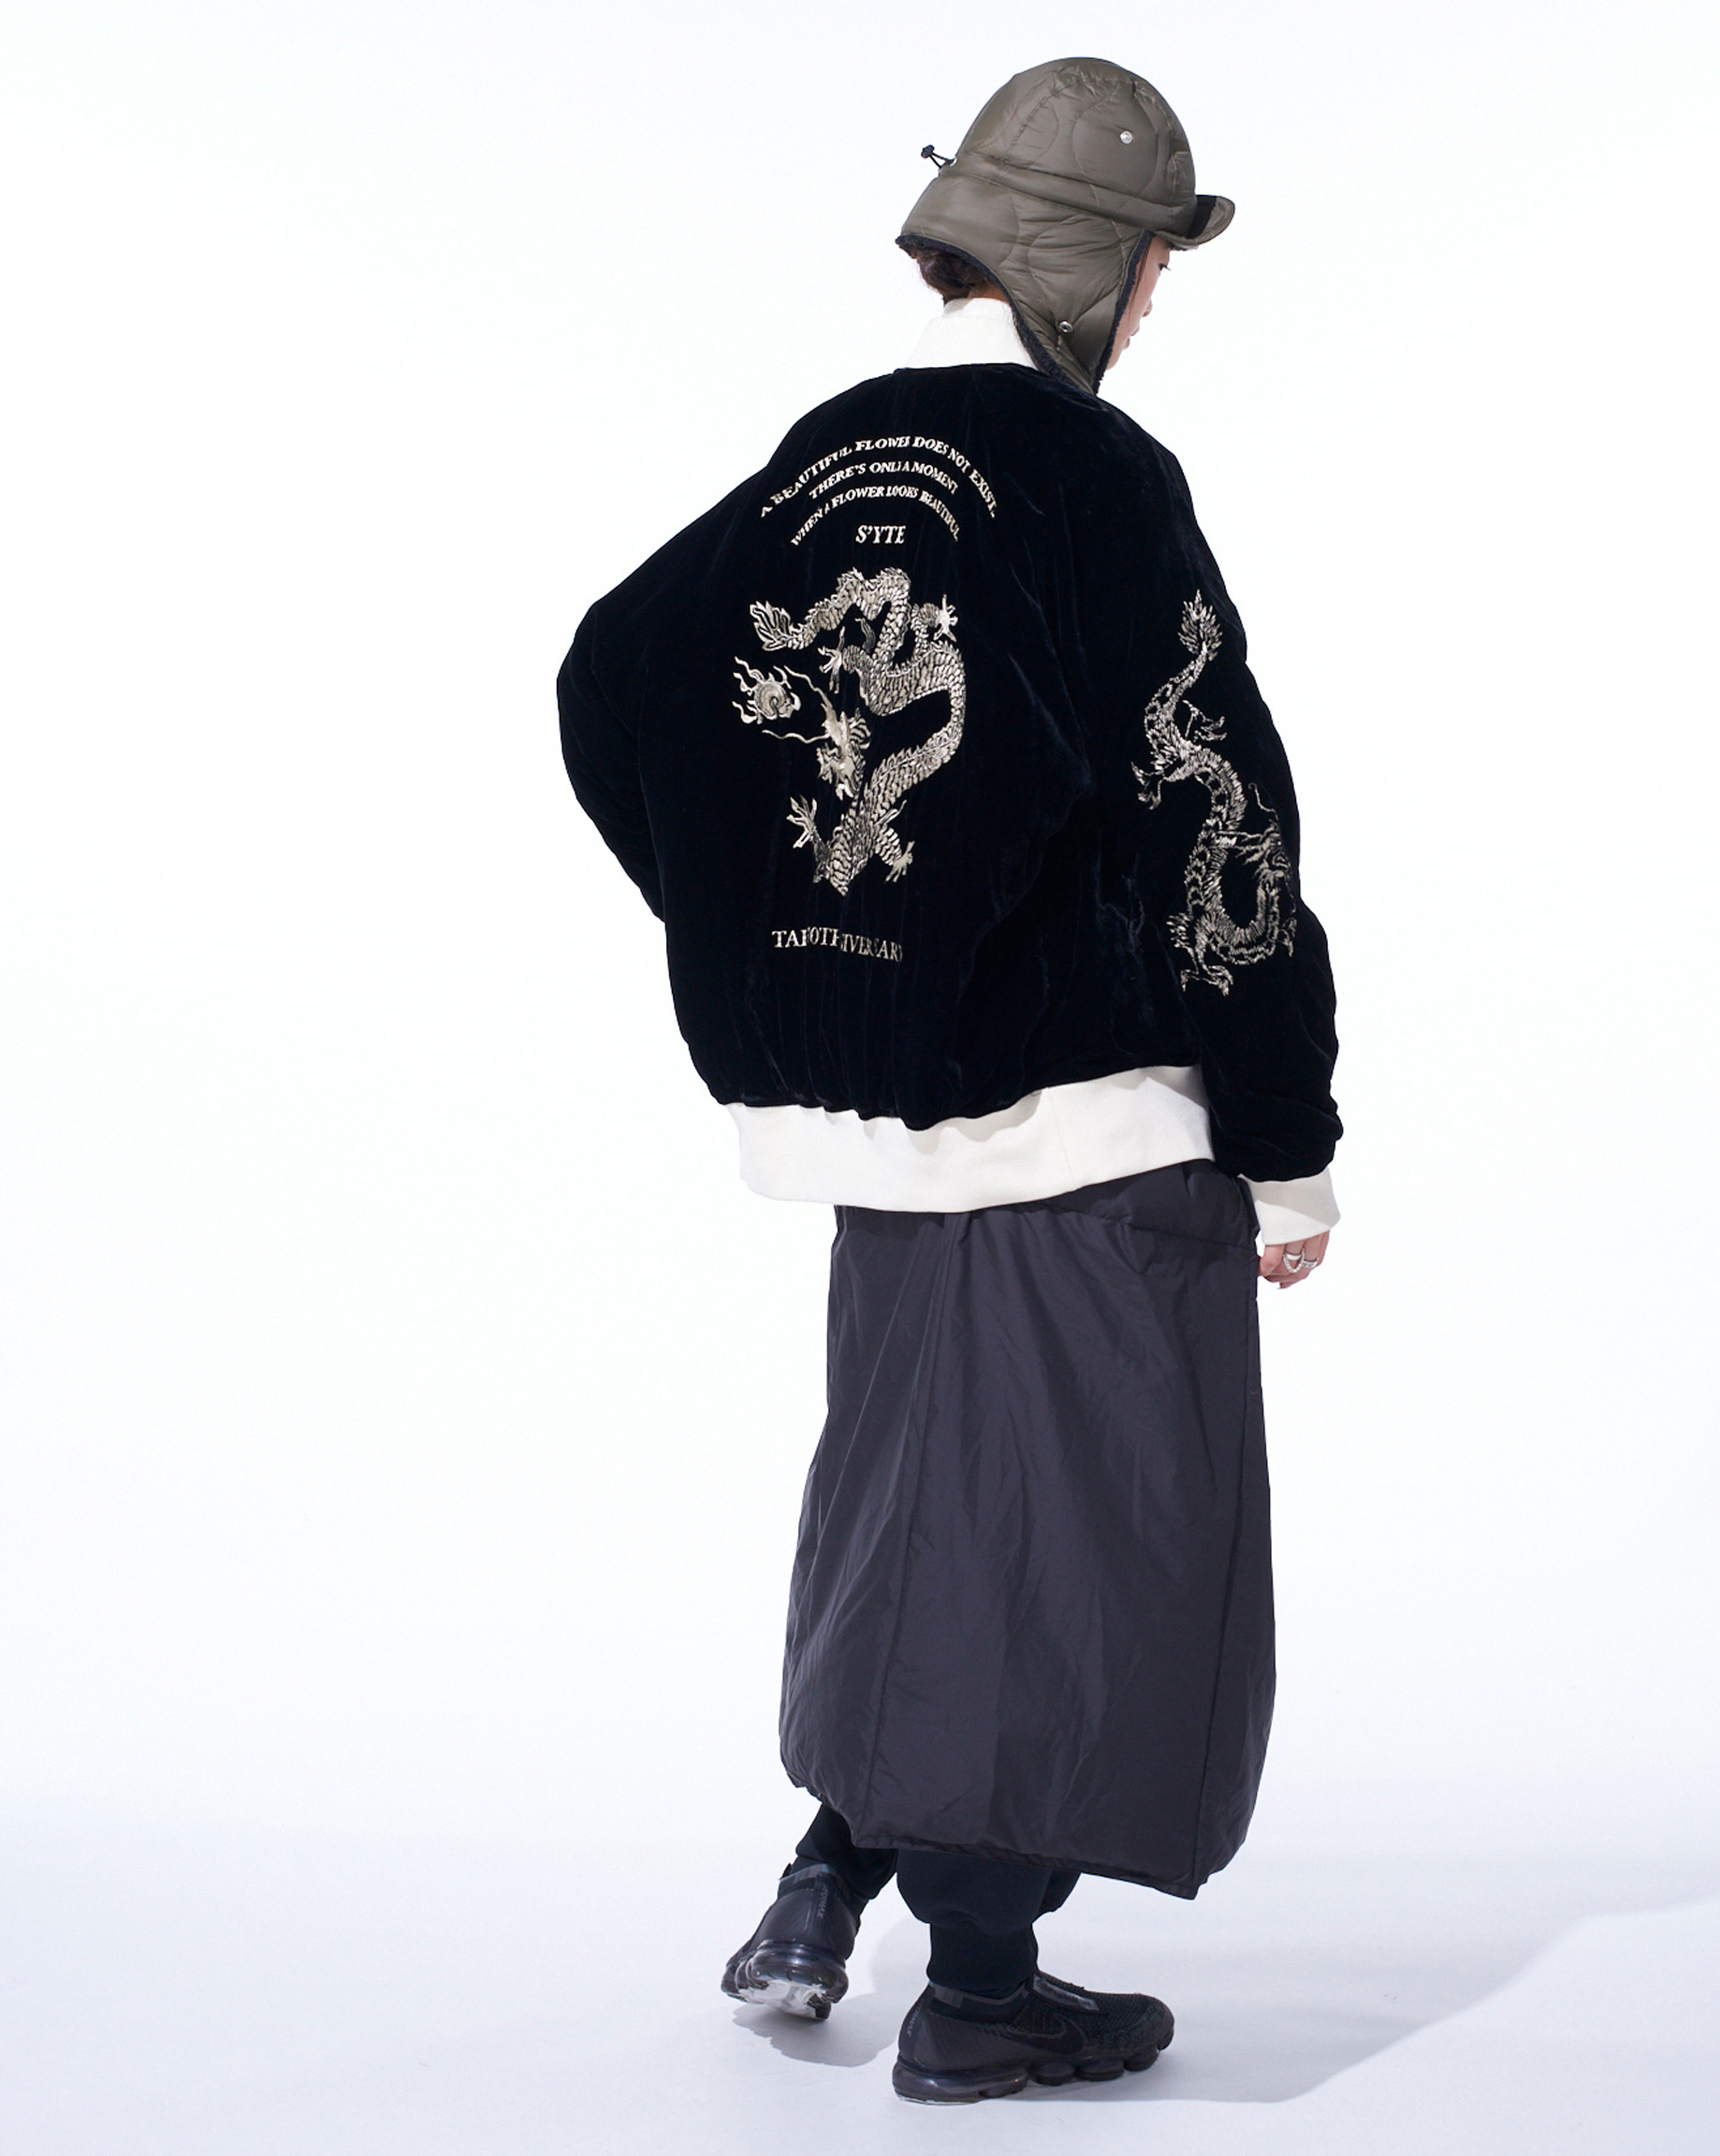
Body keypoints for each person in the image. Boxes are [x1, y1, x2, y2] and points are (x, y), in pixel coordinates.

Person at [558, 56, 1340, 2106]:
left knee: (917, 1516)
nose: (1155, 307)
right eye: (1155, 267)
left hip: (888, 1137)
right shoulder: (1098, 481)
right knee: (1084, 1558)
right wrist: (1287, 1148)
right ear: (1101, 267)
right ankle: (982, 1996)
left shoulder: (825, 453)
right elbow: (1220, 823)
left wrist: (788, 944)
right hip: (1084, 1131)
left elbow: (611, 678)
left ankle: (830, 1876)